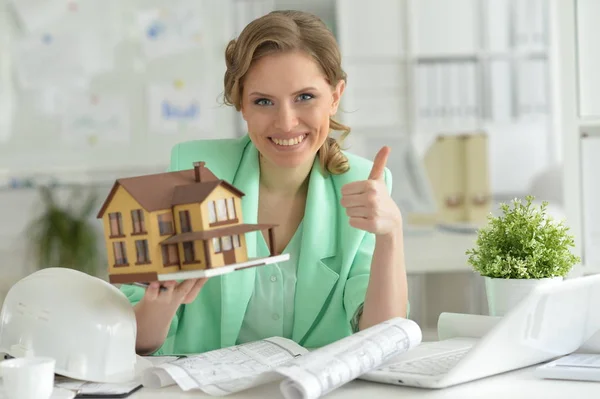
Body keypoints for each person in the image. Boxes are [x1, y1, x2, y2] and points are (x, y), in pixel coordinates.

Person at [120, 10, 408, 356]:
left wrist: (391, 236)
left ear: (335, 96)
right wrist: (162, 307)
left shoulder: (363, 184)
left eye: (305, 97)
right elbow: (138, 344)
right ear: (241, 103)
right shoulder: (195, 174)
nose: (286, 123)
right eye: (263, 101)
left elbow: (381, 339)